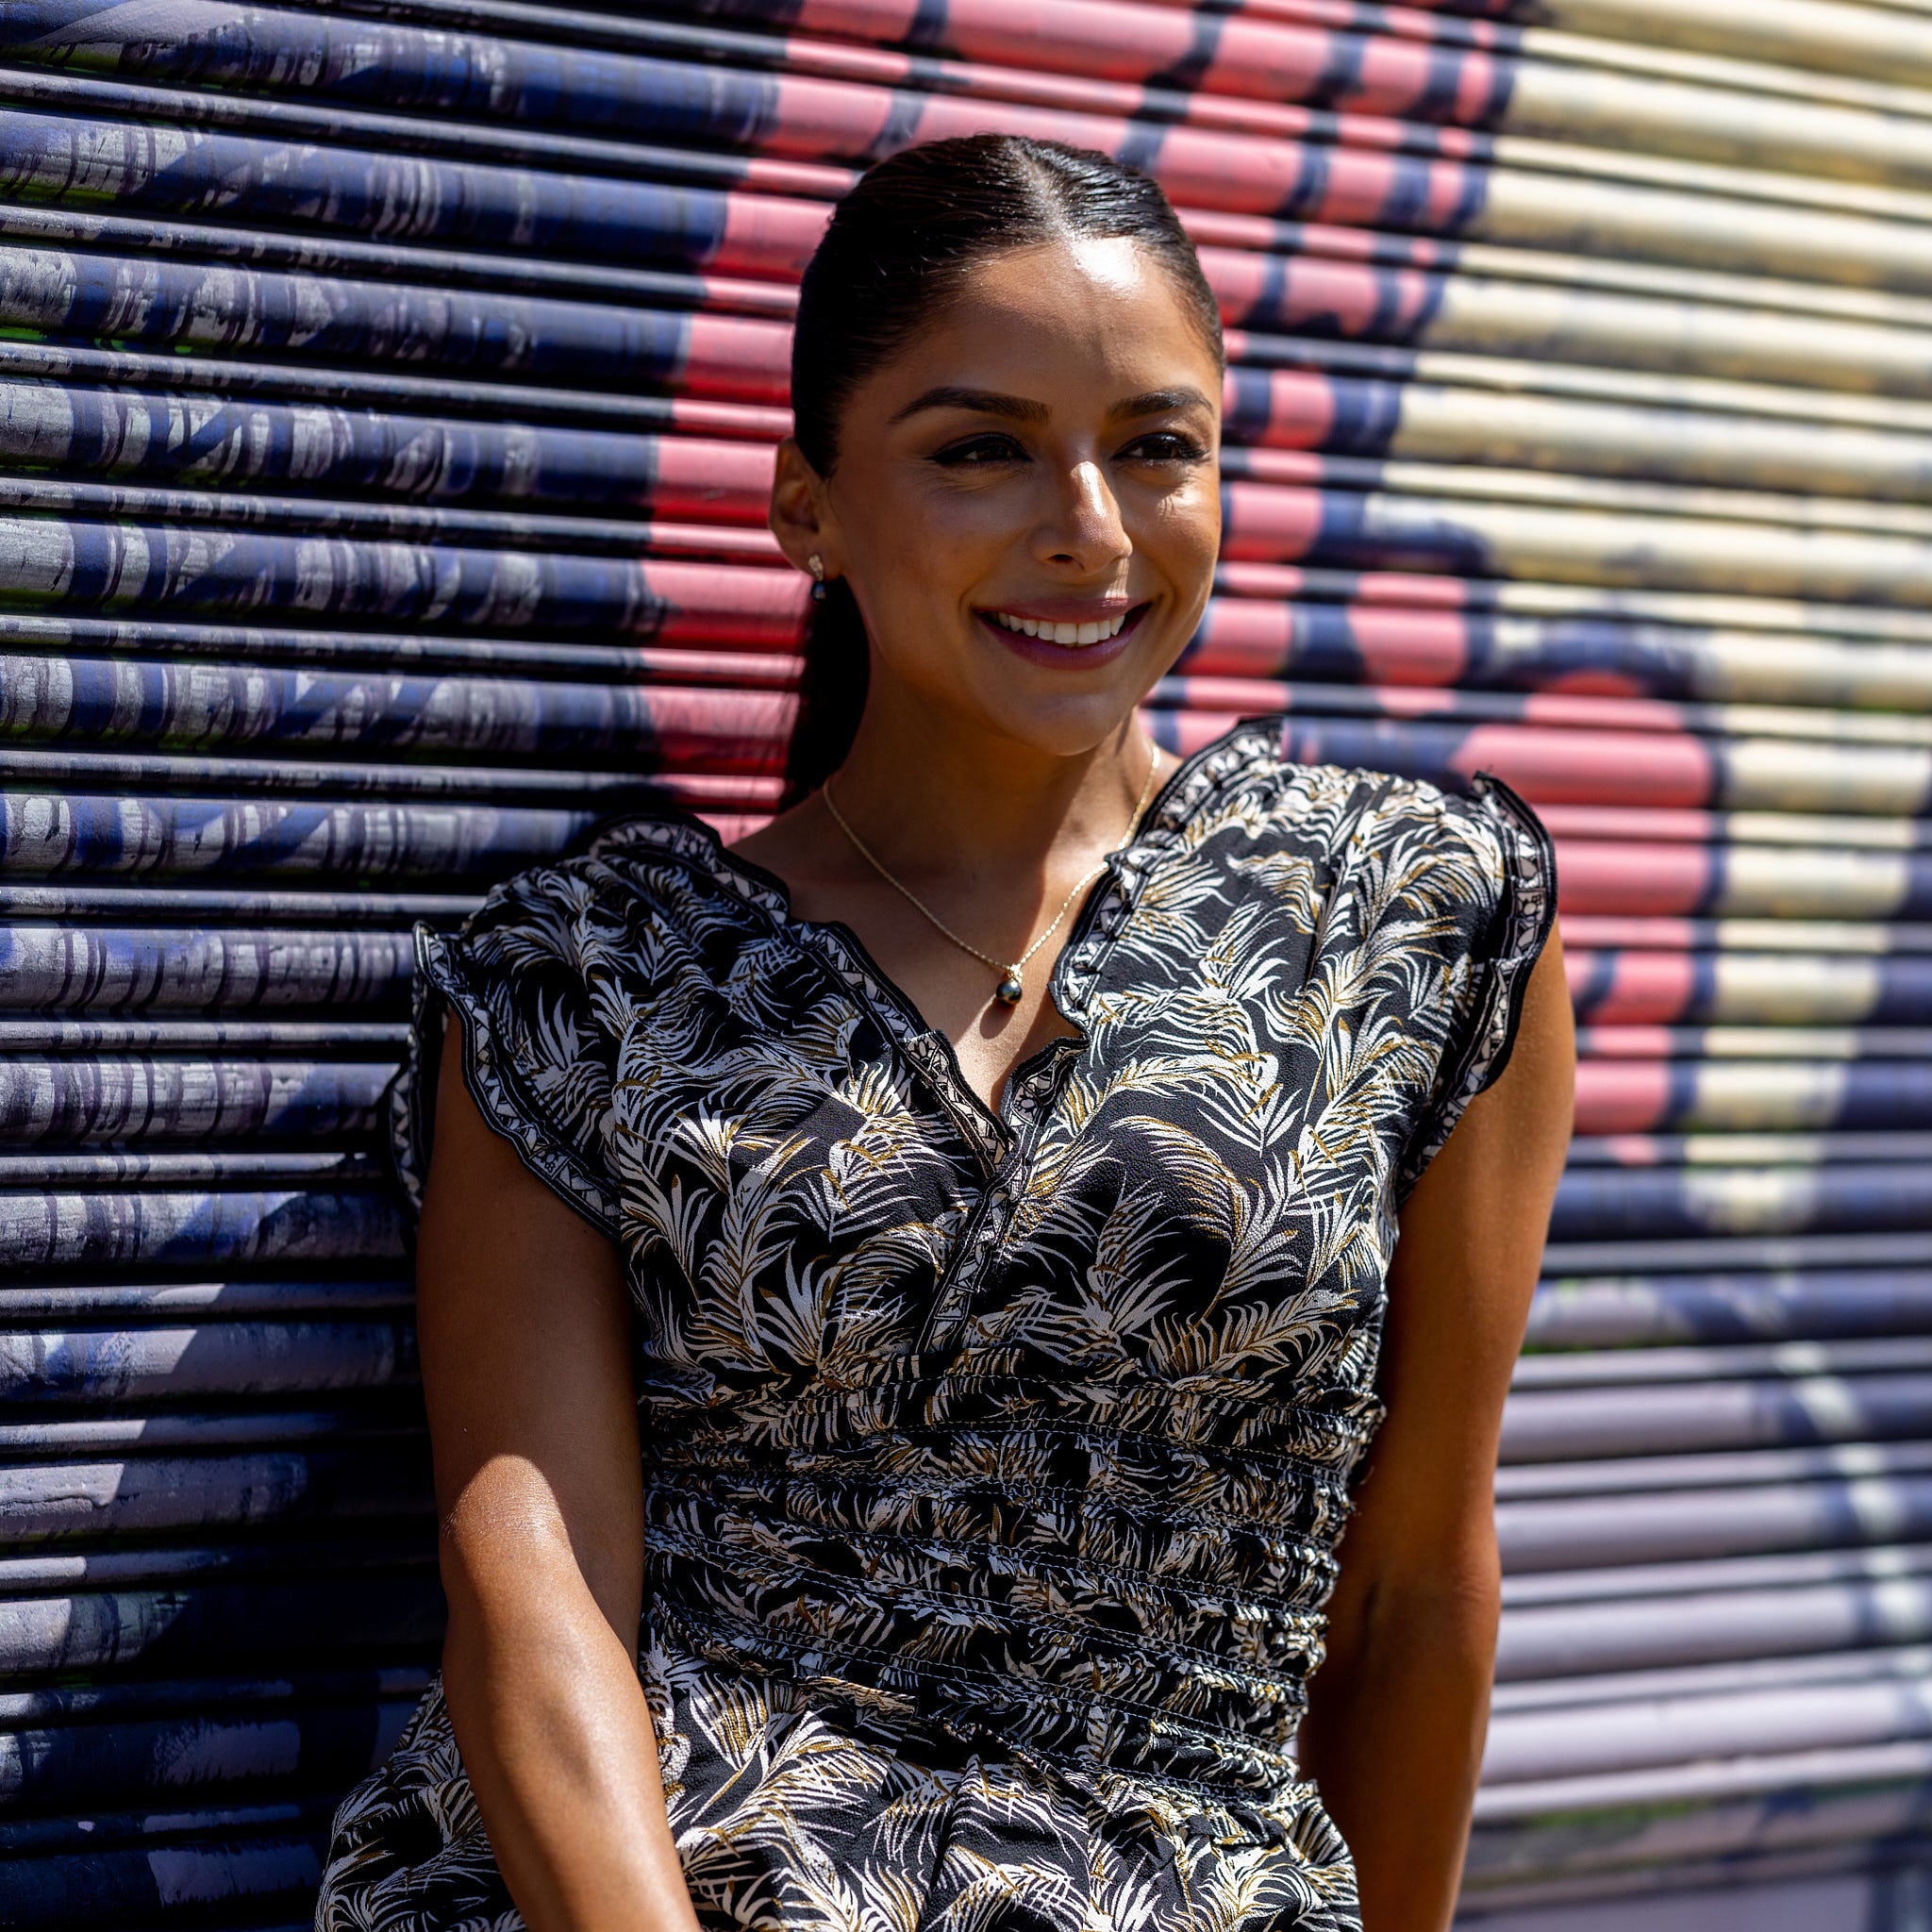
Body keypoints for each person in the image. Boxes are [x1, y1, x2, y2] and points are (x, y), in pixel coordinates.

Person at [316, 133, 1573, 1932]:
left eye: (1157, 447)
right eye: (981, 449)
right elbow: (530, 1582)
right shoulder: (583, 976)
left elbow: (1415, 1594)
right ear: (805, 502)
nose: (1090, 524)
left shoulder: (1424, 918)